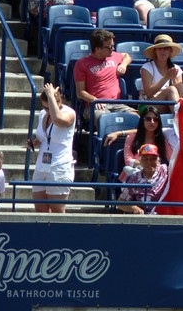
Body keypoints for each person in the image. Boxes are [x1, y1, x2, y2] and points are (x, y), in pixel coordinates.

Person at [28, 83, 75, 213]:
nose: (46, 110)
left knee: (57, 210)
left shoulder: (69, 113)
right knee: (40, 209)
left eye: (49, 107)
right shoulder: (43, 114)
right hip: (42, 165)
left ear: (57, 101)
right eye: (44, 107)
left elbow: (58, 119)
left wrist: (50, 96)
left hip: (59, 166)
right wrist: (35, 142)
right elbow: (46, 136)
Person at [74, 29, 136, 123]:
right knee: (104, 119)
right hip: (95, 105)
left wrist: (123, 64)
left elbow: (127, 56)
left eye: (113, 46)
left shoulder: (113, 56)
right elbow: (80, 92)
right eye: (110, 47)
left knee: (136, 117)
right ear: (98, 49)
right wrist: (94, 100)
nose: (113, 49)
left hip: (116, 103)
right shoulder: (82, 64)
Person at [104, 106, 176, 180]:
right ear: (142, 121)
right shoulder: (132, 138)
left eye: (156, 119)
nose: (152, 122)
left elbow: (172, 159)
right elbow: (128, 161)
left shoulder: (162, 139)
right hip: (135, 175)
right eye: (148, 119)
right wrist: (147, 166)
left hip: (156, 176)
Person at [117, 144, 169, 214]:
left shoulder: (165, 170)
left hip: (165, 214)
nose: (149, 162)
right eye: (145, 159)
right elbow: (120, 203)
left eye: (153, 159)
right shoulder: (134, 179)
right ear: (140, 161)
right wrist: (134, 208)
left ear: (158, 160)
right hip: (146, 217)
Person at [140, 34, 182, 105]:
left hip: (171, 103)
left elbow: (179, 92)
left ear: (170, 51)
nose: (162, 51)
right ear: (155, 51)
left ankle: (178, 113)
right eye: (159, 49)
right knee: (171, 90)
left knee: (180, 87)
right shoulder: (147, 67)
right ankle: (179, 114)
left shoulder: (176, 68)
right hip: (149, 105)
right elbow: (149, 93)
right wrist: (167, 77)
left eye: (165, 49)